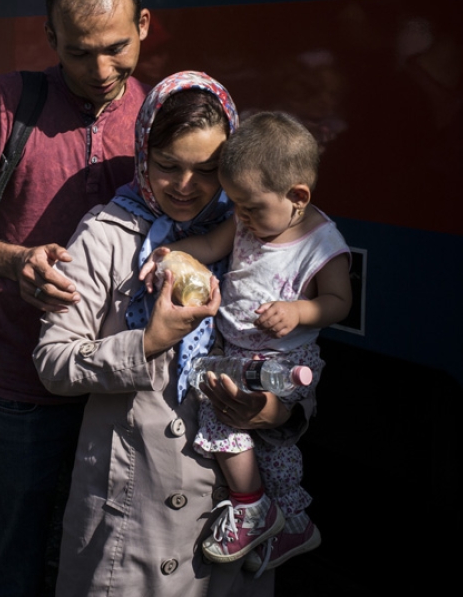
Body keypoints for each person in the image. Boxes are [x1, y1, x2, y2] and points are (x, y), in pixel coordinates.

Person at [0, 0, 151, 596]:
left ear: (145, 26)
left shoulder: (163, 114)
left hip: (120, 384)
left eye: (115, 47)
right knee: (16, 557)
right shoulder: (8, 99)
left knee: (111, 563)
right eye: (80, 52)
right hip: (18, 381)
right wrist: (16, 260)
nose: (101, 70)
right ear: (51, 37)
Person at [33, 72, 292, 596]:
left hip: (232, 523)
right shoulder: (105, 234)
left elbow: (295, 354)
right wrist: (148, 343)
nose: (185, 185)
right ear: (143, 154)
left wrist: (275, 411)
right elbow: (53, 362)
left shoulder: (256, 236)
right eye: (168, 165)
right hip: (130, 524)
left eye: (209, 170)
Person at [138, 111, 351, 571]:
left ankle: (251, 504)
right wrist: (172, 254)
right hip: (236, 351)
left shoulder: (322, 243)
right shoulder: (247, 221)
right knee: (270, 445)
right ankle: (293, 520)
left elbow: (339, 302)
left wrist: (299, 311)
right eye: (235, 206)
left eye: (251, 208)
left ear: (297, 197)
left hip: (287, 358)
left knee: (229, 425)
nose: (241, 218)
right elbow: (211, 247)